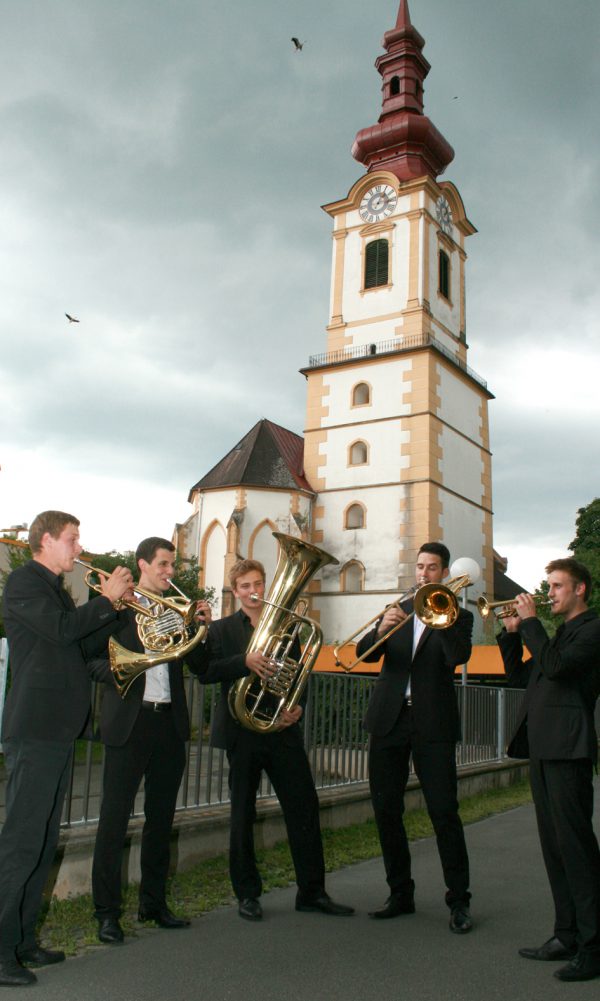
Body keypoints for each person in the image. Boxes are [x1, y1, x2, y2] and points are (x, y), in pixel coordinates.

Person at [0, 511, 132, 988]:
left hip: (54, 732)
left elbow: (78, 646)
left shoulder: (57, 591)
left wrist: (115, 609)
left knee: (42, 841)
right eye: (72, 539)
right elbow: (60, 630)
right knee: (20, 843)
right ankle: (0, 951)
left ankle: (21, 940)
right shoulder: (23, 583)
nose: (79, 548)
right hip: (34, 729)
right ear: (46, 540)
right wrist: (104, 601)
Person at [204, 557, 354, 921]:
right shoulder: (222, 630)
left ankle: (312, 892)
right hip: (243, 733)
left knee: (304, 806)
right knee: (243, 813)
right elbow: (207, 671)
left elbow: (299, 674)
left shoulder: (288, 626)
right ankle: (247, 894)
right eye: (245, 587)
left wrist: (296, 707)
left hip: (282, 730)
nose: (254, 592)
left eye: (258, 584)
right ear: (235, 591)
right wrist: (246, 661)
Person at [91, 537, 215, 945]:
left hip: (168, 726)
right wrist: (122, 671)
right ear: (143, 564)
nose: (169, 572)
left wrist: (199, 630)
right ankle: (107, 914)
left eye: (172, 566)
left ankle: (153, 903)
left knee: (161, 820)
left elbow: (200, 664)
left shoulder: (176, 612)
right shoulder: (118, 607)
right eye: (163, 564)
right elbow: (90, 658)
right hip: (130, 722)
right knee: (114, 821)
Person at [356, 542, 474, 933]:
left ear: (444, 573)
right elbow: (363, 655)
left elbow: (457, 657)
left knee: (444, 812)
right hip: (389, 720)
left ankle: (459, 901)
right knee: (386, 810)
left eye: (432, 568)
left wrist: (440, 618)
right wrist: (381, 628)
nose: (424, 573)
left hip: (433, 724)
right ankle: (400, 893)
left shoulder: (461, 616)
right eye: (420, 566)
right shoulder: (398, 610)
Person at [498, 558, 600, 983]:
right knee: (555, 849)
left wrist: (532, 624)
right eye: (549, 585)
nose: (549, 592)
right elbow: (525, 676)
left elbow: (556, 667)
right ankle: (566, 934)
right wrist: (511, 635)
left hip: (568, 751)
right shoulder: (559, 636)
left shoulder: (593, 629)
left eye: (557, 586)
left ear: (580, 590)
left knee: (576, 851)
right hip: (544, 749)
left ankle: (594, 949)